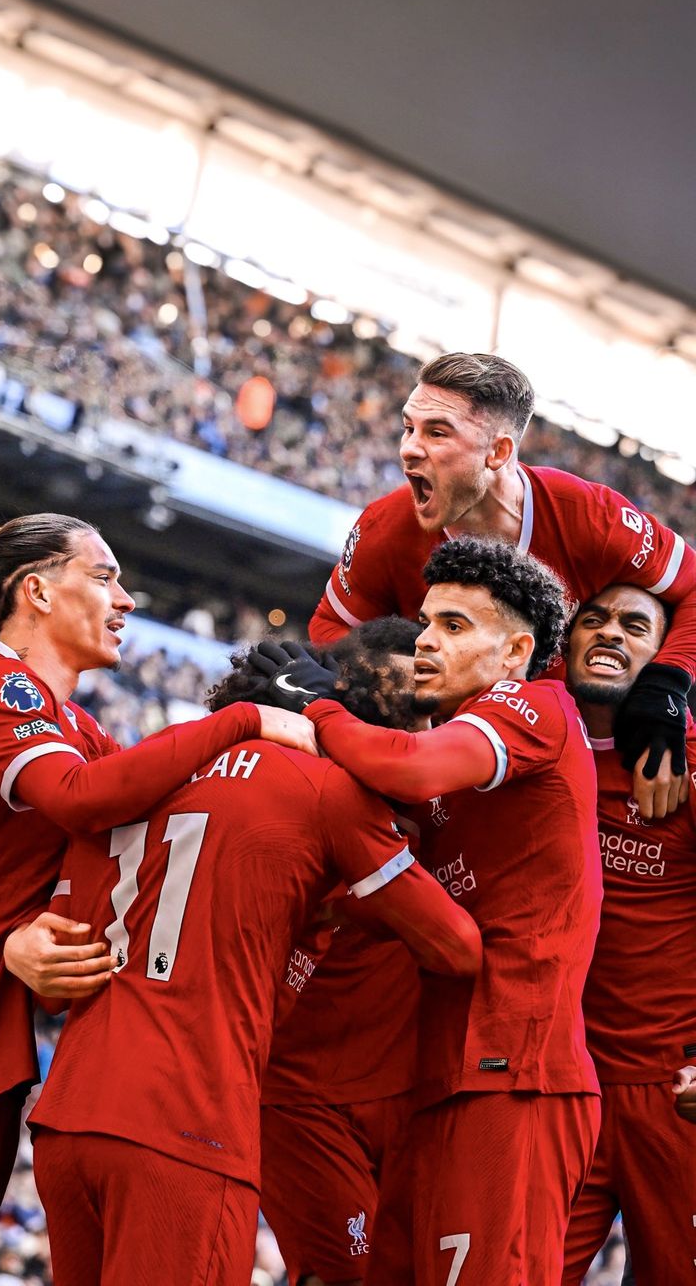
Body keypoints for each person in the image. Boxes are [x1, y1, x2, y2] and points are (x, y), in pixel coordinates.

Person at [22, 633, 481, 1286]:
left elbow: (52, 989)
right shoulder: (327, 790)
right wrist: (350, 906)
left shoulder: (133, 776)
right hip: (191, 1128)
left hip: (69, 1123)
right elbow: (457, 947)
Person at [0, 513, 314, 1282]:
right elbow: (81, 799)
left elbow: (137, 836)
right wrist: (245, 718)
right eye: (104, 575)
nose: (126, 597)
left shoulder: (84, 728)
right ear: (38, 592)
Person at [257, 535, 602, 1285]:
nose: (425, 642)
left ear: (515, 651)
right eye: (426, 622)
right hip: (446, 1073)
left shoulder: (532, 705)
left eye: (453, 626)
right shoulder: (456, 761)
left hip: (518, 1072)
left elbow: (405, 768)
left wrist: (314, 703)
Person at [309, 351, 696, 817]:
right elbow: (330, 630)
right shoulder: (385, 528)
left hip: (588, 766)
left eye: (436, 432)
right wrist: (394, 686)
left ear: (498, 452)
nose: (409, 448)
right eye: (408, 427)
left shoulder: (590, 516)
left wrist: (664, 687)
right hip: (451, 770)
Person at [259, 616, 423, 1286]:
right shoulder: (304, 793)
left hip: (415, 1093)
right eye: (384, 709)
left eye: (420, 709)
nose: (407, 728)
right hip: (300, 1097)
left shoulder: (463, 789)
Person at [561, 583, 696, 1286]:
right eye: (595, 619)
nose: (610, 633)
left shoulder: (687, 761)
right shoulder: (525, 743)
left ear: (662, 653)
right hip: (562, 1089)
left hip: (674, 1096)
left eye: (633, 625)